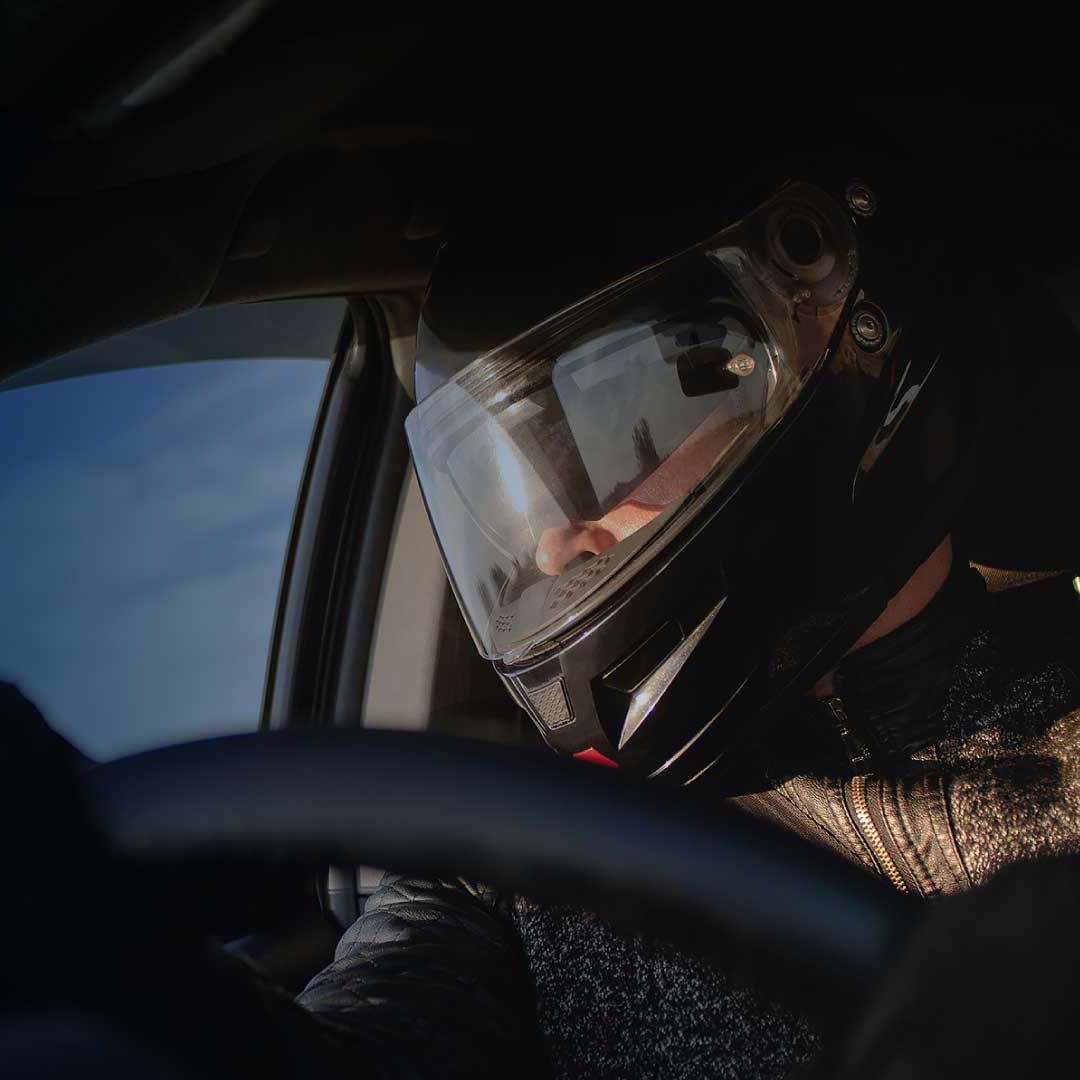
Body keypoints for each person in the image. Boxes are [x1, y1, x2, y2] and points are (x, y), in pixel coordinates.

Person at [293, 165, 1080, 1077]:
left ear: (840, 345)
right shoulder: (513, 874)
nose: (553, 549)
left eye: (616, 435)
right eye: (524, 484)